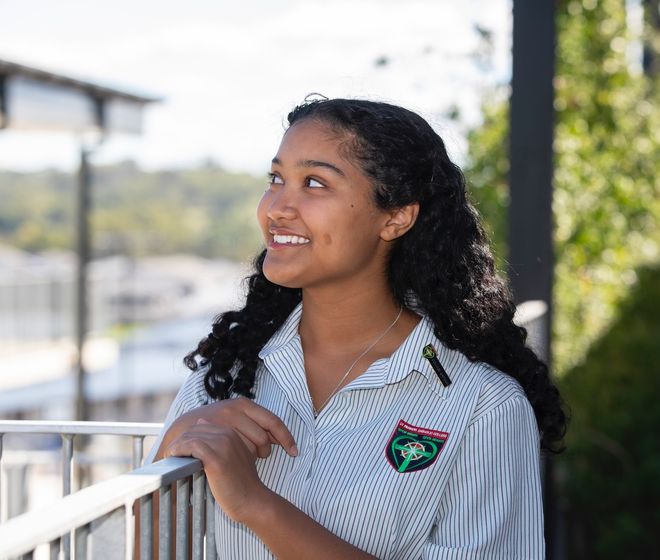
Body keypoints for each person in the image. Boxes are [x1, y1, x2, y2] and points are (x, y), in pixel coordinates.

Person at [146, 97, 566, 559]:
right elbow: (147, 550)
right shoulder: (223, 376)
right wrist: (175, 442)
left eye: (314, 183)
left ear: (395, 217)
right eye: (275, 179)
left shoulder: (482, 406)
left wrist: (257, 505)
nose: (277, 208)